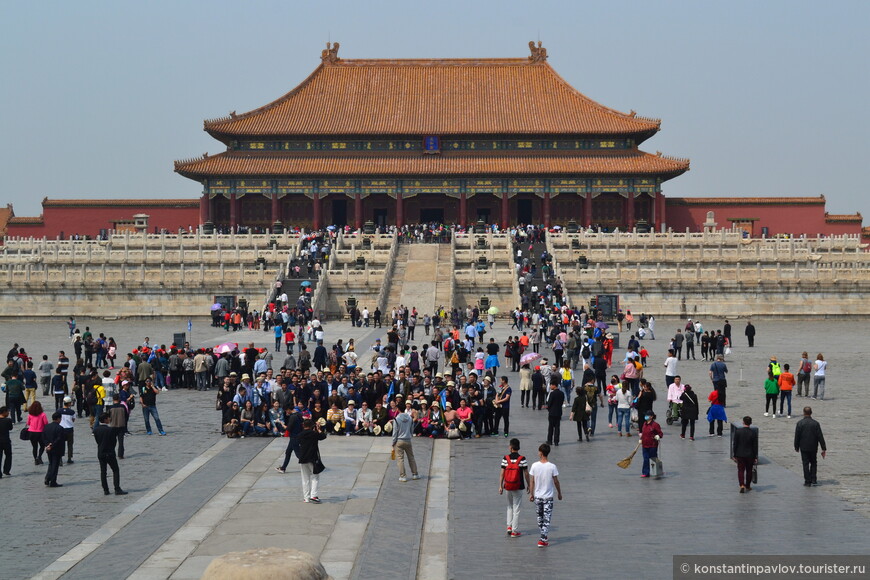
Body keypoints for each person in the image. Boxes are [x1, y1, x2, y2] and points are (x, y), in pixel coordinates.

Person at [528, 443, 562, 548]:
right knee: (546, 518)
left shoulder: (534, 465)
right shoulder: (552, 467)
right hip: (548, 497)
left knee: (540, 518)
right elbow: (556, 481)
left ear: (541, 453)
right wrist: (559, 493)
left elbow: (532, 481)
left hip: (538, 497)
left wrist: (531, 493)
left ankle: (543, 538)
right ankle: (543, 537)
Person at [499, 438, 530, 538]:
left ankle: (509, 526)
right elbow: (526, 474)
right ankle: (514, 531)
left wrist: (500, 486)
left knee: (509, 506)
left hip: (508, 486)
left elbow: (502, 473)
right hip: (518, 486)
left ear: (511, 447)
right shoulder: (522, 459)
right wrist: (529, 485)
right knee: (517, 509)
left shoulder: (505, 458)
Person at [93, 412, 127, 495]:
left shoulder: (96, 430)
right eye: (108, 418)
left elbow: (97, 441)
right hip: (110, 452)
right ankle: (117, 488)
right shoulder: (111, 430)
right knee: (115, 470)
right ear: (105, 419)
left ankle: (106, 490)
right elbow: (114, 442)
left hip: (100, 452)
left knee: (103, 471)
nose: (109, 419)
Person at [795, 407, 826, 486]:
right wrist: (823, 448)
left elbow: (797, 436)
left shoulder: (800, 423)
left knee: (805, 463)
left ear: (803, 413)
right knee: (813, 462)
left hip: (804, 447)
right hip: (813, 446)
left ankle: (807, 481)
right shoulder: (815, 423)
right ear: (811, 413)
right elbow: (820, 436)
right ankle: (813, 479)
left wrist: (796, 446)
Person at [298, 418, 326, 503]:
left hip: (303, 458)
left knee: (305, 479)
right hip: (312, 458)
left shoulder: (300, 434)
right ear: (311, 426)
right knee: (315, 476)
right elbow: (323, 436)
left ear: (304, 425)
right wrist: (318, 429)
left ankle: (306, 497)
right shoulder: (313, 434)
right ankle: (313, 495)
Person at [392, 402, 419, 482]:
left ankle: (403, 476)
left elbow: (395, 432)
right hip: (408, 440)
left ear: (398, 409)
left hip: (399, 440)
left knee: (400, 459)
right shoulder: (410, 418)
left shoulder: (396, 419)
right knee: (411, 457)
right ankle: (415, 474)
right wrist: (409, 435)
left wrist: (393, 442)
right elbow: (412, 429)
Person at [732, 416, 758, 493]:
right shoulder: (753, 433)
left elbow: (735, 444)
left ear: (743, 422)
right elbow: (755, 445)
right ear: (751, 423)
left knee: (740, 470)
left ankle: (742, 485)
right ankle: (748, 485)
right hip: (750, 455)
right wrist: (755, 456)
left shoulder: (738, 431)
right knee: (749, 470)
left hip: (740, 454)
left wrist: (734, 454)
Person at [42, 412, 66, 487]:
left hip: (48, 449)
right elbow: (59, 439)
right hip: (56, 449)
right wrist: (52, 445)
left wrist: (47, 445)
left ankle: (48, 477)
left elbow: (43, 437)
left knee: (51, 463)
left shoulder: (46, 427)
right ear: (58, 419)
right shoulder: (60, 428)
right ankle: (53, 481)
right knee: (55, 465)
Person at [639, 412, 664, 478]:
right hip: (645, 444)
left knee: (654, 458)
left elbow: (661, 433)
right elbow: (643, 433)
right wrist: (641, 439)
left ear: (651, 416)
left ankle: (657, 471)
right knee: (645, 459)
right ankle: (646, 472)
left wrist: (658, 436)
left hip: (652, 445)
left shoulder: (655, 425)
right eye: (646, 415)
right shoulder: (644, 424)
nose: (646, 417)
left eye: (648, 415)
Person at [26, 400, 48, 465]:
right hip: (40, 432)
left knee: (34, 447)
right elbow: (46, 423)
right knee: (42, 445)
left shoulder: (30, 414)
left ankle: (35, 459)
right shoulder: (43, 415)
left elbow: (28, 423)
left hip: (31, 432)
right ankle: (39, 456)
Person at [545, 382, 564, 446]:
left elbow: (549, 403)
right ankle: (556, 441)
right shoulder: (562, 393)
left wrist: (549, 409)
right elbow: (561, 402)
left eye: (551, 385)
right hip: (559, 412)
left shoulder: (552, 394)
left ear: (554, 385)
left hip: (552, 413)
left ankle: (549, 441)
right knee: (557, 427)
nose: (550, 386)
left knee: (550, 427)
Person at [59, 397, 76, 464]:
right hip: (69, 429)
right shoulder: (72, 412)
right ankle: (69, 458)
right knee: (70, 445)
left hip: (61, 429)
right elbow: (73, 420)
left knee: (60, 445)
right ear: (69, 403)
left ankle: (60, 458)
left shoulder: (59, 411)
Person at [0, 406, 12, 476]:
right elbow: (10, 428)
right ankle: (6, 470)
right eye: (7, 412)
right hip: (6, 441)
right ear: (4, 412)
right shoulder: (8, 420)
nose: (8, 413)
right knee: (8, 455)